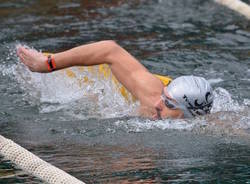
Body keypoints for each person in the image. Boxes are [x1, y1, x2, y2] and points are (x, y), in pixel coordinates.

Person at [17, 40, 213, 119]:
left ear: (188, 114)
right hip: (102, 72)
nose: (158, 104)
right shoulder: (152, 93)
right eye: (164, 97)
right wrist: (48, 64)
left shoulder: (199, 125)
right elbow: (110, 49)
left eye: (169, 104)